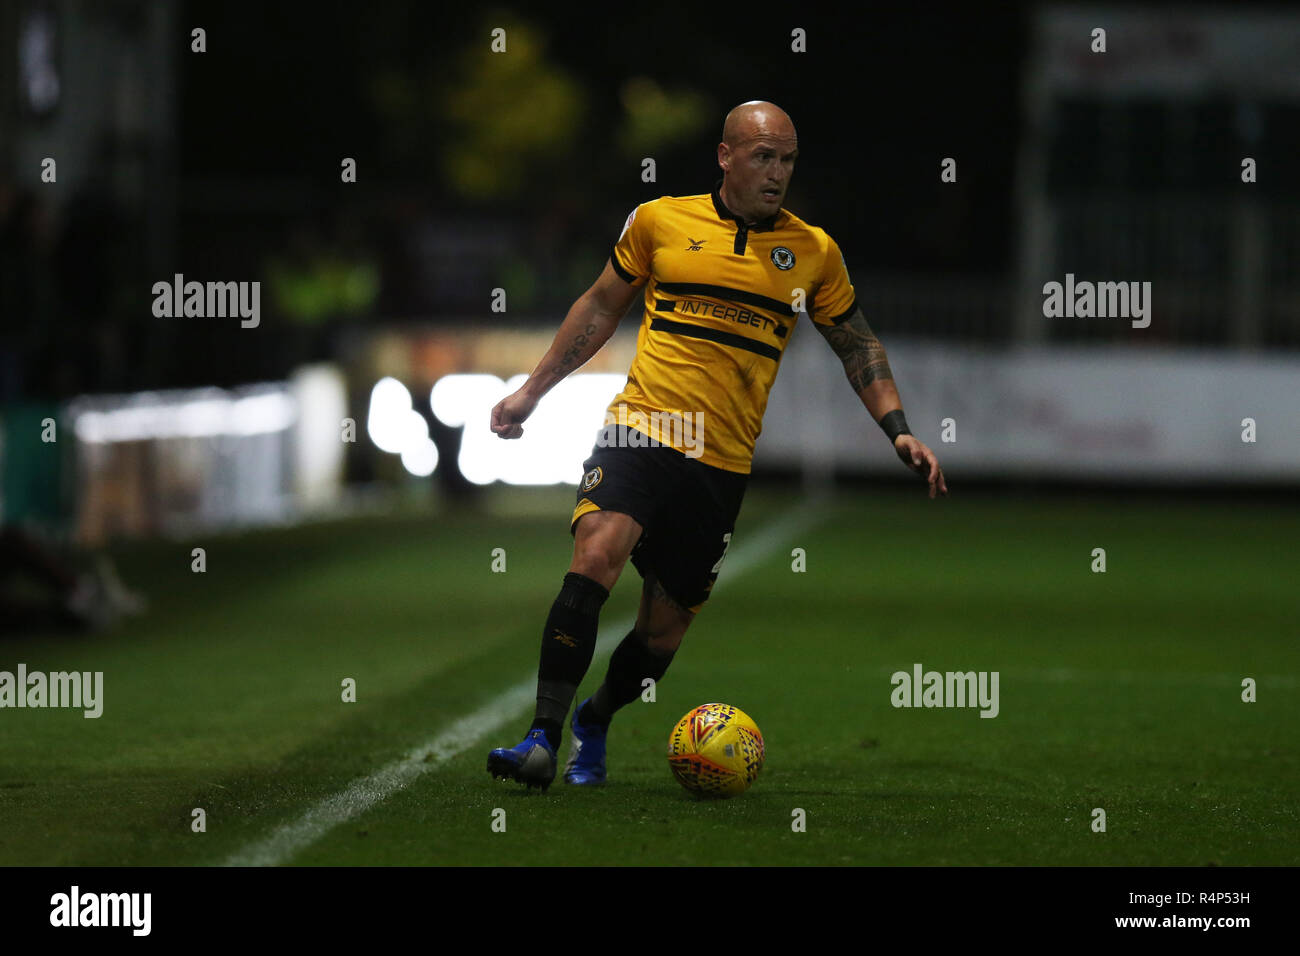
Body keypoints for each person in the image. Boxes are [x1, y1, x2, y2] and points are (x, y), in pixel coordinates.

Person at [486, 101, 947, 790]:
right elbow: (600, 306)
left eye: (788, 159)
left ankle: (597, 716)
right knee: (595, 555)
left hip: (722, 462)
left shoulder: (812, 251)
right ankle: (541, 740)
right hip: (643, 428)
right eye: (764, 157)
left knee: (660, 636)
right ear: (726, 156)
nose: (778, 173)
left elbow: (857, 343)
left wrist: (899, 428)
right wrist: (531, 391)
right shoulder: (659, 221)